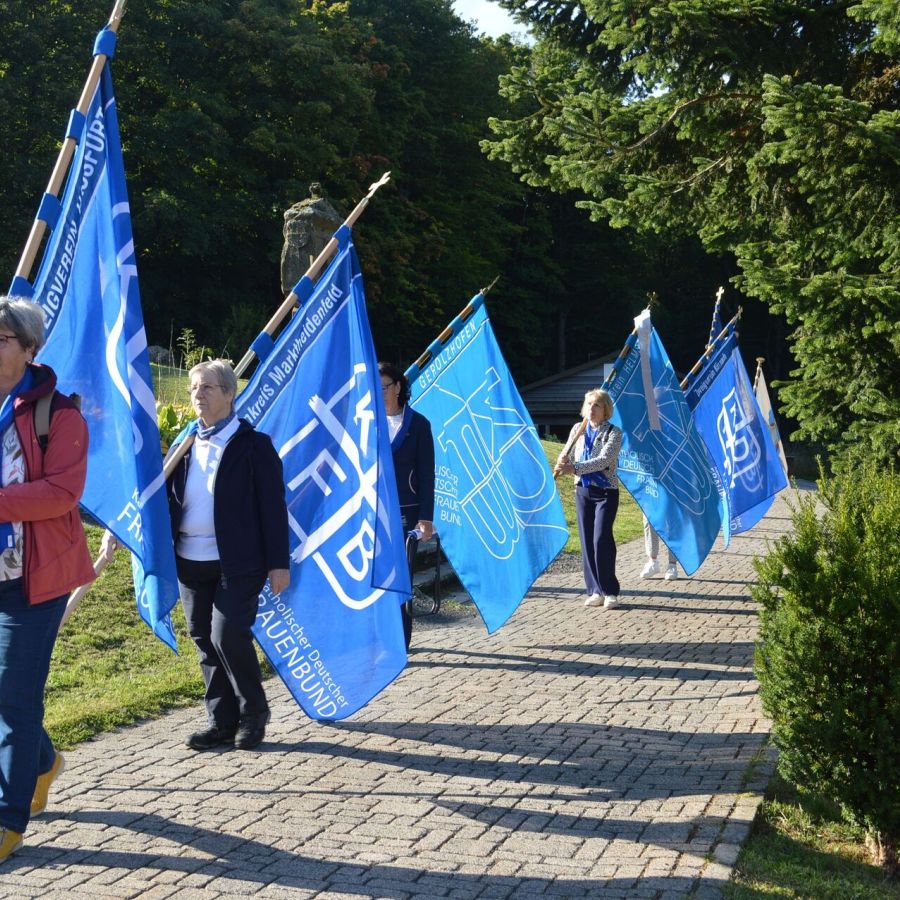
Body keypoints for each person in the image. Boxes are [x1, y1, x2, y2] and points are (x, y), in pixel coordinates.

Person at [0, 297, 95, 863]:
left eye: (1, 339)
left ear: (30, 348)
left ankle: (8, 819)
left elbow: (62, 493)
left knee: (14, 696)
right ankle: (42, 762)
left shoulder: (58, 415)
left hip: (32, 580)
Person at [167, 360, 290, 752]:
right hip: (190, 559)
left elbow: (273, 508)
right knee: (204, 639)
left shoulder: (253, 446)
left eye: (206, 387)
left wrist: (279, 563)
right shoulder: (185, 443)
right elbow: (161, 496)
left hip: (238, 562)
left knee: (227, 633)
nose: (197, 395)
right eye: (193, 388)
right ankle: (221, 721)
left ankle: (254, 712)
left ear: (229, 394)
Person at [379, 362, 435, 649]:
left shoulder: (418, 425)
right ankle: (379, 640)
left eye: (384, 387)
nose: (380, 393)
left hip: (406, 513)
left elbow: (426, 473)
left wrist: (425, 518)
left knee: (401, 578)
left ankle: (400, 641)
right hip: (374, 514)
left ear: (398, 387)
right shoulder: (367, 422)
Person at [555, 388, 623, 609]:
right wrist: (561, 462)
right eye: (589, 404)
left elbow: (604, 460)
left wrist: (574, 468)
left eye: (597, 405)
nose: (592, 409)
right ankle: (594, 590)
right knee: (587, 541)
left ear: (606, 410)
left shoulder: (614, 433)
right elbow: (567, 451)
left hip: (605, 493)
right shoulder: (578, 428)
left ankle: (609, 590)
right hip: (583, 491)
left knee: (601, 539)